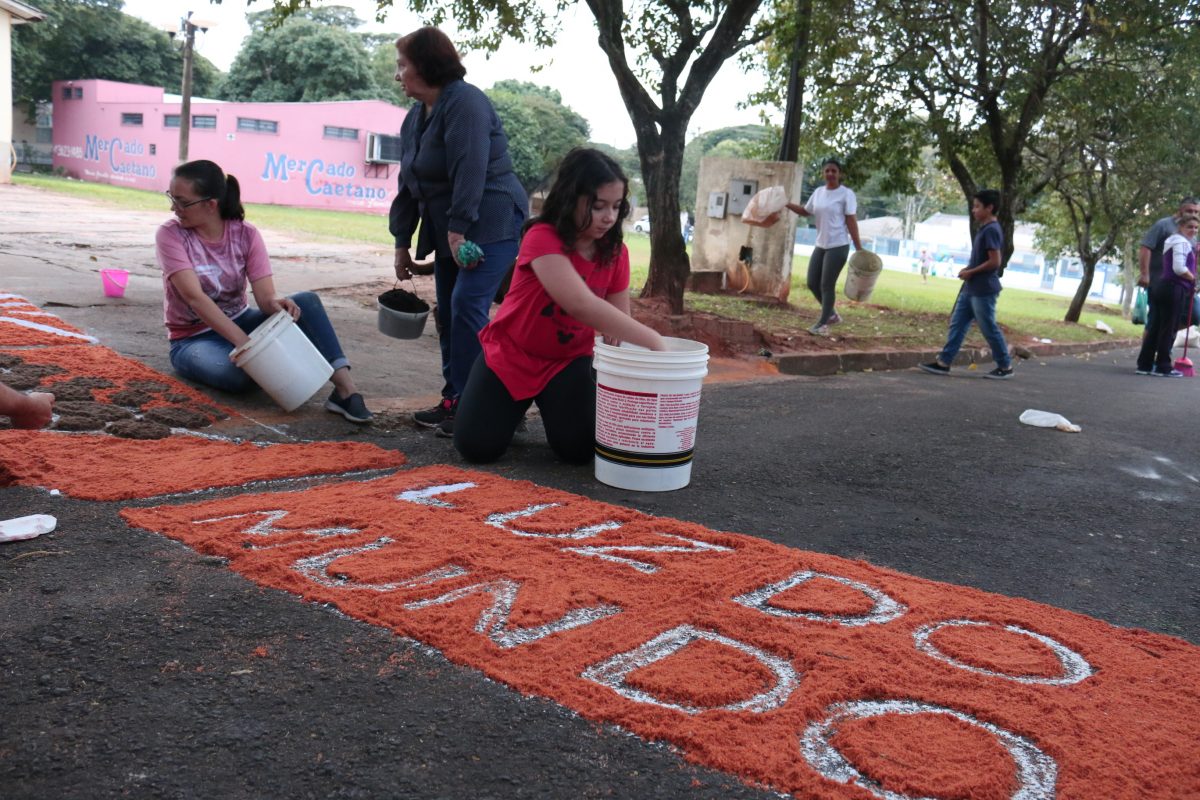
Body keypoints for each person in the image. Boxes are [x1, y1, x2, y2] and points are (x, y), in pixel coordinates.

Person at [452, 148, 666, 465]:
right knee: (476, 448)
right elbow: (580, 304)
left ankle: (544, 408)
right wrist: (655, 341)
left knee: (580, 451)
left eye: (616, 206)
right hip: (512, 354)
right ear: (570, 199)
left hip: (568, 362)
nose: (609, 217)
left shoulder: (615, 252)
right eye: (598, 206)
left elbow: (617, 322)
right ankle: (509, 411)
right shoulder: (542, 236)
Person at [389, 26, 529, 437]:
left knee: (467, 306)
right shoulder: (415, 118)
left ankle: (485, 406)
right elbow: (408, 182)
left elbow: (470, 169)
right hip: (452, 226)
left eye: (402, 65)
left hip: (490, 219)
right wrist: (401, 243)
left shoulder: (466, 103)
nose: (398, 75)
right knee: (449, 314)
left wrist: (457, 232)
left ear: (426, 65)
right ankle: (457, 400)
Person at [155, 160, 372, 422]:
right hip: (193, 339)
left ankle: (346, 392)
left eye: (182, 202)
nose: (174, 208)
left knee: (306, 303)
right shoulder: (171, 235)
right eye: (172, 198)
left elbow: (265, 298)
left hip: (242, 320)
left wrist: (277, 305)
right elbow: (195, 298)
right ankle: (258, 364)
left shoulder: (245, 234)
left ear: (211, 204)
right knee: (238, 376)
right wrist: (246, 346)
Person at [919, 189, 1014, 379]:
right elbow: (983, 259)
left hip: (983, 289)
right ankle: (944, 362)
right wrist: (969, 269)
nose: (973, 210)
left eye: (977, 206)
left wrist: (971, 272)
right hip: (971, 288)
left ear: (989, 208)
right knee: (958, 325)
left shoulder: (992, 230)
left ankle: (1005, 366)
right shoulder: (984, 229)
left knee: (988, 328)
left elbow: (995, 261)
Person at [785, 158, 865, 335]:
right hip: (821, 244)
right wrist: (786, 203)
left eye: (834, 171)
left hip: (838, 245)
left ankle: (823, 324)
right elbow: (806, 211)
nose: (830, 174)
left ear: (840, 174)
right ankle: (832, 315)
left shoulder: (846, 194)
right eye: (827, 170)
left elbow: (851, 220)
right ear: (823, 173)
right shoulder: (818, 192)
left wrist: (858, 247)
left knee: (826, 285)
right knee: (812, 282)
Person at [1135, 214, 1198, 376]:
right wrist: (1192, 278)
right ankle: (1163, 366)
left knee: (1156, 326)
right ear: (1180, 227)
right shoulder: (1182, 242)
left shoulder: (1172, 240)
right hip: (1174, 288)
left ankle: (1144, 364)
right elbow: (1179, 268)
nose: (1193, 230)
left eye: (1196, 228)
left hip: (1162, 285)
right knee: (1168, 328)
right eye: (1189, 227)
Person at [1138, 196, 1200, 338]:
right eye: (1189, 211)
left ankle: (1162, 338)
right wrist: (1144, 274)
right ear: (1180, 209)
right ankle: (1151, 348)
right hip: (1160, 283)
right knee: (1155, 320)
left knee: (1195, 314)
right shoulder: (1164, 225)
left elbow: (1188, 258)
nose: (1193, 214)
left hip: (1183, 285)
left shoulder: (1192, 230)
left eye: (1196, 212)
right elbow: (1146, 247)